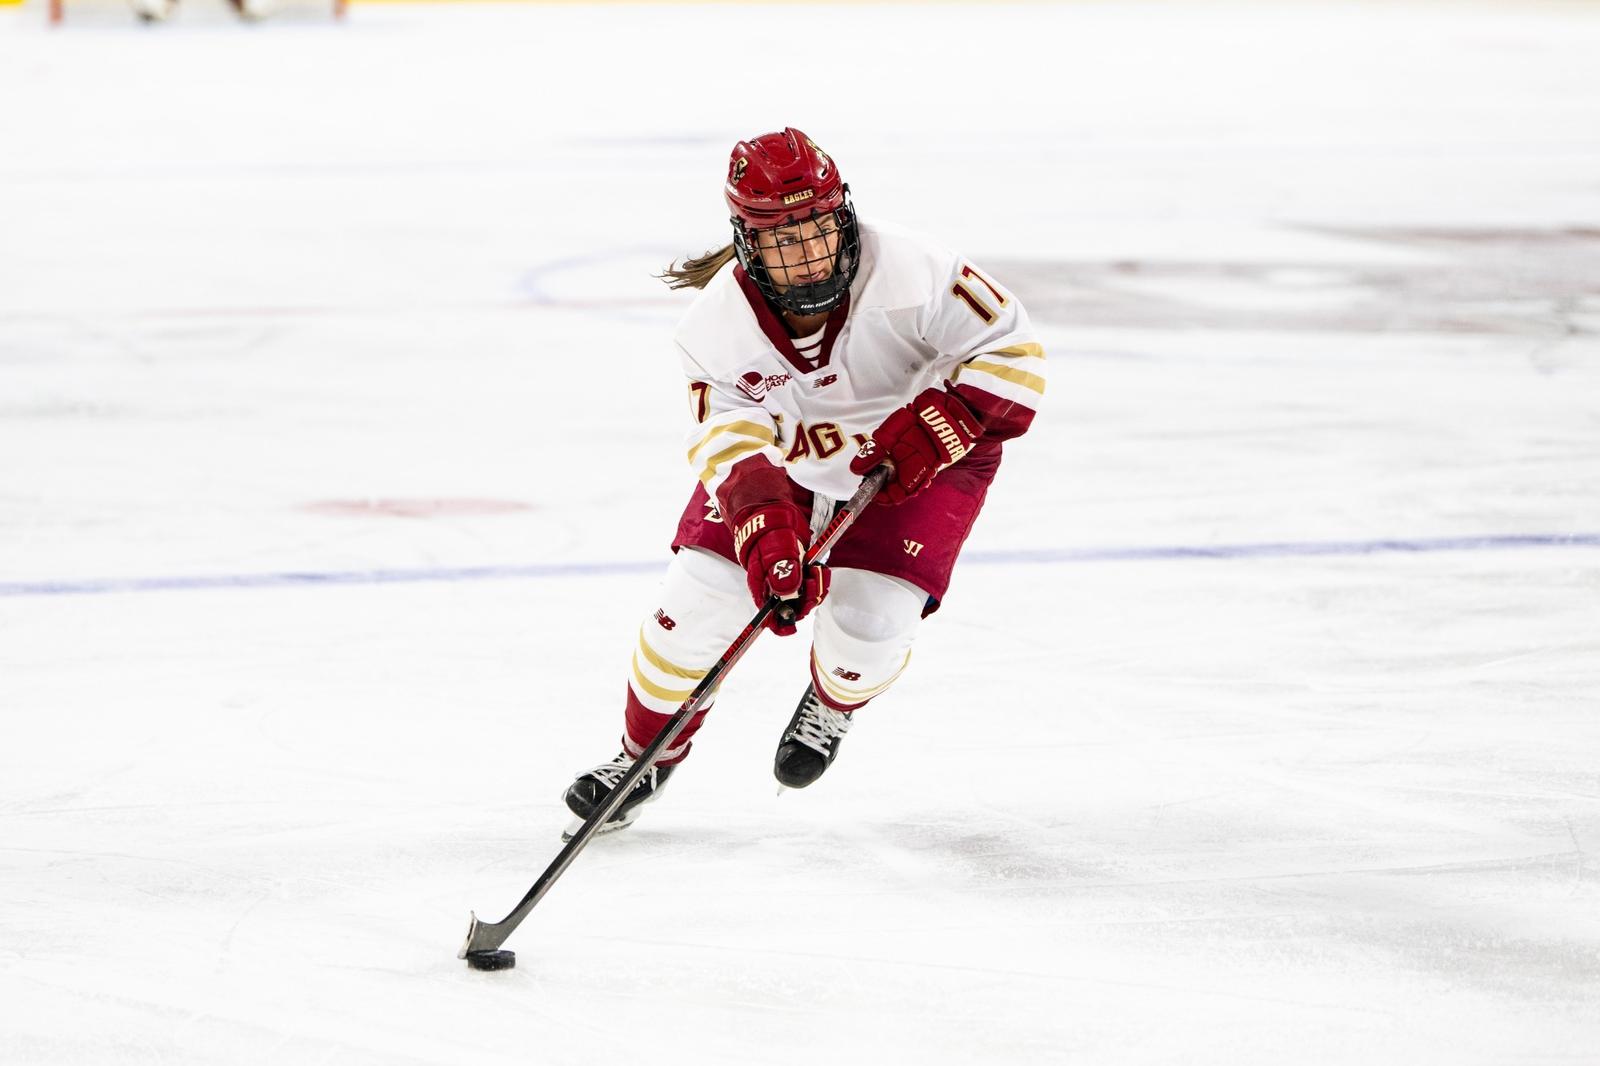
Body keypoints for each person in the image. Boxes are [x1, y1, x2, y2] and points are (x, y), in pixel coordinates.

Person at [562, 127, 1046, 836]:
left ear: (842, 213)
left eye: (817, 230)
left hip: (920, 462)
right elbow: (728, 445)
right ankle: (644, 756)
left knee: (867, 633)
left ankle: (833, 703)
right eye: (782, 241)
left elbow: (1016, 352)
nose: (807, 254)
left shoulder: (915, 269)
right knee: (690, 615)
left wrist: (940, 423)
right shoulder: (714, 329)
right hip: (785, 465)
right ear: (746, 241)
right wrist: (767, 530)